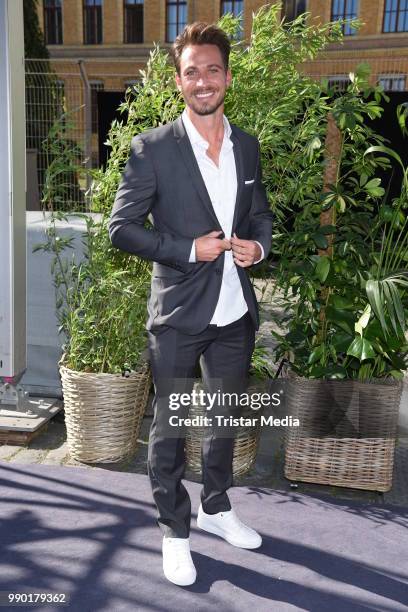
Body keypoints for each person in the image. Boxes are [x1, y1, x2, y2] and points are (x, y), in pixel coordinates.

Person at [109, 21, 273, 587]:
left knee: (224, 419)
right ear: (177, 82)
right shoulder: (152, 149)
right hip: (179, 315)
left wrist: (258, 245)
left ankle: (217, 507)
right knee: (172, 427)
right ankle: (175, 530)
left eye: (212, 69)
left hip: (234, 313)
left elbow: (260, 216)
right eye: (191, 72)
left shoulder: (246, 147)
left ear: (227, 76)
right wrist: (186, 249)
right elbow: (121, 229)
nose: (203, 81)